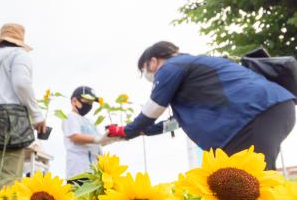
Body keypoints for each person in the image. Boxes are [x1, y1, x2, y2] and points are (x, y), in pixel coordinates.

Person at [106, 41, 296, 170]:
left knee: (251, 185)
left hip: (253, 115)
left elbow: (154, 108)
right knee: (247, 179)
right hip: (270, 109)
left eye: (144, 70)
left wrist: (125, 131)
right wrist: (141, 131)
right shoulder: (191, 72)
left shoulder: (171, 67)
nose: (147, 75)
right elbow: (174, 123)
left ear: (153, 61)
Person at [0, 23, 47, 191]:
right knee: (7, 181)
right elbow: (22, 83)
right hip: (10, 122)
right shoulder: (19, 55)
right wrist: (37, 115)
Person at [62, 86, 112, 182]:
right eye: (87, 101)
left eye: (91, 102)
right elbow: (75, 137)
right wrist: (97, 139)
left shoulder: (90, 122)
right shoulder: (70, 117)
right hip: (78, 171)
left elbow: (101, 141)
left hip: (95, 172)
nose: (89, 105)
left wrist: (111, 138)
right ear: (74, 101)